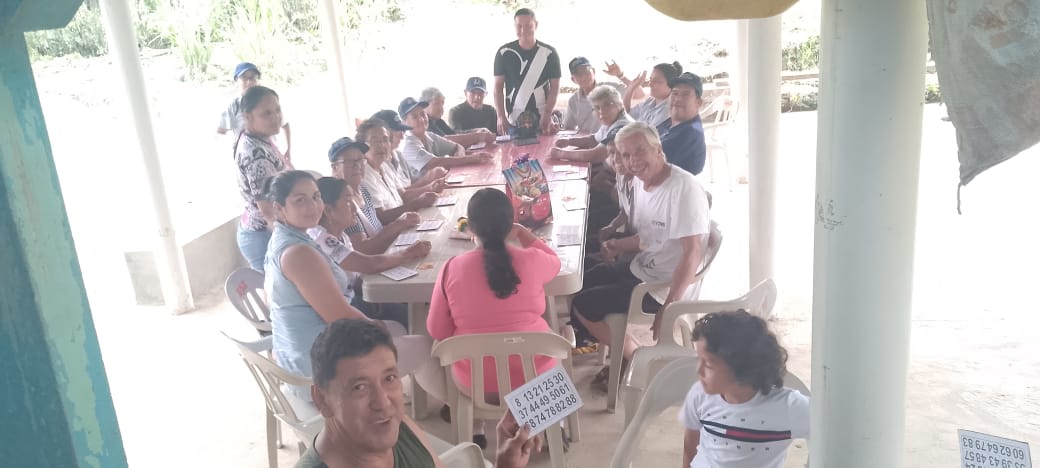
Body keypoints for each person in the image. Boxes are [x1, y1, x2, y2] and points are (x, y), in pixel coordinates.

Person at [571, 121, 711, 392]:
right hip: (642, 267)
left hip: (662, 285)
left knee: (583, 304)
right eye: (625, 155)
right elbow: (650, 236)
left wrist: (670, 306)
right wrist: (618, 245)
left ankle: (637, 359)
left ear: (658, 150)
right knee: (581, 278)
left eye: (639, 151)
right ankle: (619, 350)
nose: (632, 161)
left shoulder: (683, 189)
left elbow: (692, 252)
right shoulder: (640, 182)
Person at [297, 318, 542, 468]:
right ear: (322, 399)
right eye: (359, 387)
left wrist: (505, 465)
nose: (383, 403)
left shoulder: (399, 428)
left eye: (389, 378)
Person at [427, 188, 561, 447]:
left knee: (438, 350)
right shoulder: (531, 260)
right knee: (557, 341)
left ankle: (474, 426)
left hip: (476, 386)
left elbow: (437, 330)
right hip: (535, 383)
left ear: (470, 227)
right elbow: (554, 261)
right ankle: (551, 425)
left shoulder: (452, 268)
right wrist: (524, 234)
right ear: (510, 224)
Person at [264, 170, 373, 401]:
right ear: (280, 208)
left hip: (298, 360)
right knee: (420, 344)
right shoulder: (299, 253)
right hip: (317, 374)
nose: (313, 206)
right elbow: (341, 317)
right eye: (300, 200)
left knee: (396, 328)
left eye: (316, 197)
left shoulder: (286, 239)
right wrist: (379, 330)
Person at [681, 310, 810, 468]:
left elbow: (831, 431)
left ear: (741, 367)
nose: (698, 370)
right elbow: (690, 445)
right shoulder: (698, 395)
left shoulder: (790, 407)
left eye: (708, 364)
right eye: (698, 359)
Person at [311, 177, 431, 328]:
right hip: (345, 312)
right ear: (328, 210)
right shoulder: (322, 239)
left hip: (357, 298)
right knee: (413, 319)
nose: (355, 208)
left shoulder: (342, 235)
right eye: (348, 201)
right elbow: (369, 264)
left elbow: (356, 277)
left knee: (413, 310)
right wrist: (408, 253)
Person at [328, 137, 421, 255]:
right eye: (350, 162)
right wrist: (398, 224)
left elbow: (377, 230)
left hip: (385, 254)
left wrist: (402, 223)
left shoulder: (363, 189)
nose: (358, 165)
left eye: (361, 159)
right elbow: (363, 250)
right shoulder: (341, 201)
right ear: (335, 168)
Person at [235, 85, 288, 272]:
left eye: (277, 110)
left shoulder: (260, 138)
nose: (276, 117)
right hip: (264, 236)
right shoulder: (256, 155)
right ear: (248, 117)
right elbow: (268, 210)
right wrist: (290, 241)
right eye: (266, 113)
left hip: (260, 232)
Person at [356, 119, 442, 222]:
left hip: (406, 221)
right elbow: (380, 217)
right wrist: (417, 203)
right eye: (374, 141)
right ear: (362, 146)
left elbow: (404, 195)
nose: (382, 145)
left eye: (385, 139)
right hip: (396, 227)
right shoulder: (364, 174)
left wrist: (431, 187)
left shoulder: (384, 165)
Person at [493, 8, 562, 136]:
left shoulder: (549, 53)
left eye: (528, 26)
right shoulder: (503, 53)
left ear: (536, 25)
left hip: (542, 120)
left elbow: (555, 87)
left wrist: (548, 113)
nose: (523, 30)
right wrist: (501, 116)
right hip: (513, 120)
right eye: (519, 26)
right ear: (514, 26)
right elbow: (498, 88)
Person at [218, 62, 292, 162]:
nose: (249, 82)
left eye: (253, 78)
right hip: (249, 157)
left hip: (272, 154)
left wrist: (288, 149)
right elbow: (221, 132)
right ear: (236, 80)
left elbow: (285, 125)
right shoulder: (233, 107)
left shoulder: (267, 101)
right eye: (244, 78)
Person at [398, 97, 493, 175]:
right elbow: (435, 162)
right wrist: (469, 159)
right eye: (414, 117)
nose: (422, 119)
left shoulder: (429, 136)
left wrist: (460, 157)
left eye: (423, 114)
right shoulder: (408, 145)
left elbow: (457, 146)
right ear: (404, 123)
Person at [550, 84, 632, 164]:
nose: (601, 111)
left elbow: (595, 155)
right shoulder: (611, 121)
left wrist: (561, 154)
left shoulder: (622, 128)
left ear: (619, 105)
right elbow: (594, 140)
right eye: (597, 107)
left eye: (607, 105)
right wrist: (568, 141)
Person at [371, 109, 448, 187]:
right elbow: (399, 193)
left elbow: (412, 183)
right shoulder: (379, 164)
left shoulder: (398, 155)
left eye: (402, 131)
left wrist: (431, 179)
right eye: (398, 131)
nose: (402, 136)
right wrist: (427, 180)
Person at [656, 72, 707, 175]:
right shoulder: (671, 122)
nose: (678, 99)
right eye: (674, 93)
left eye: (686, 94)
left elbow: (647, 160)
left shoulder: (690, 133)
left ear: (698, 102)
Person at [561, 57, 626, 135]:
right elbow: (568, 128)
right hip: (588, 141)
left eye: (586, 71)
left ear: (594, 71)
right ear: (573, 79)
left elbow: (637, 94)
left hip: (612, 139)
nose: (584, 76)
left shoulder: (609, 89)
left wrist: (621, 75)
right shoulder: (573, 101)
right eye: (579, 74)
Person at [419, 87, 496, 147]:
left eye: (442, 103)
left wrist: (477, 131)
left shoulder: (438, 121)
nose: (441, 108)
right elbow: (445, 141)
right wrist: (479, 136)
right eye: (436, 104)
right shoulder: (423, 124)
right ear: (424, 105)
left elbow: (454, 134)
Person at [623, 61, 682, 128]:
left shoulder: (668, 111)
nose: (650, 84)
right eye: (650, 79)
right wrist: (631, 87)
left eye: (657, 81)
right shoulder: (650, 101)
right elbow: (627, 115)